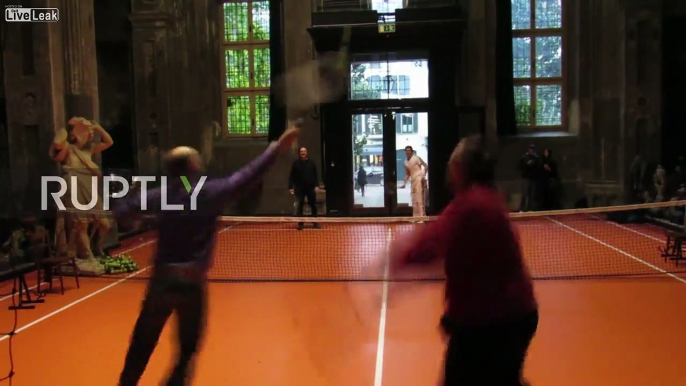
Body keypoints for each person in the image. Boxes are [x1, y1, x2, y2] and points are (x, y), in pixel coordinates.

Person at [114, 124, 300, 386]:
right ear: (191, 166)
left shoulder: (159, 195)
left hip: (163, 281)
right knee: (187, 350)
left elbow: (122, 211)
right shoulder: (208, 192)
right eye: (196, 158)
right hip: (191, 282)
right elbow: (247, 176)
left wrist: (136, 216)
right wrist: (277, 147)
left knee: (142, 343)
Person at [386, 135, 538, 386]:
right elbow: (467, 260)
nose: (449, 165)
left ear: (461, 168)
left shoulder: (471, 205)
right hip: (511, 315)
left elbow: (429, 244)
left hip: (494, 321)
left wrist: (393, 259)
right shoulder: (488, 197)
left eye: (454, 160)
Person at [289, 146, 320, 230]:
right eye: (301, 151)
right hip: (300, 189)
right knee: (300, 206)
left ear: (306, 153)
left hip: (310, 188)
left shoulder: (312, 163)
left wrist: (317, 185)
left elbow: (315, 175)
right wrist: (291, 187)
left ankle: (315, 222)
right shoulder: (296, 164)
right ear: (299, 153)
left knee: (313, 205)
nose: (303, 153)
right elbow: (291, 176)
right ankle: (300, 223)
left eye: (304, 151)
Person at [400, 146, 428, 217]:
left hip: (419, 178)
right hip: (412, 180)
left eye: (409, 150)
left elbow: (426, 166)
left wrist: (423, 175)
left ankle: (422, 216)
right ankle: (415, 216)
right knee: (414, 199)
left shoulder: (416, 158)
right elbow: (407, 174)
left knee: (420, 198)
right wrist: (404, 184)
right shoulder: (406, 162)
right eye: (406, 150)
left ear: (412, 151)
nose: (408, 152)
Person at [518, 144, 539, 211]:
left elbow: (538, 167)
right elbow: (519, 167)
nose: (531, 151)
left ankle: (530, 209)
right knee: (524, 194)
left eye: (532, 149)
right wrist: (526, 164)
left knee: (531, 195)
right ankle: (522, 208)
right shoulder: (524, 157)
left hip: (533, 178)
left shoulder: (536, 158)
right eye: (530, 149)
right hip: (526, 178)